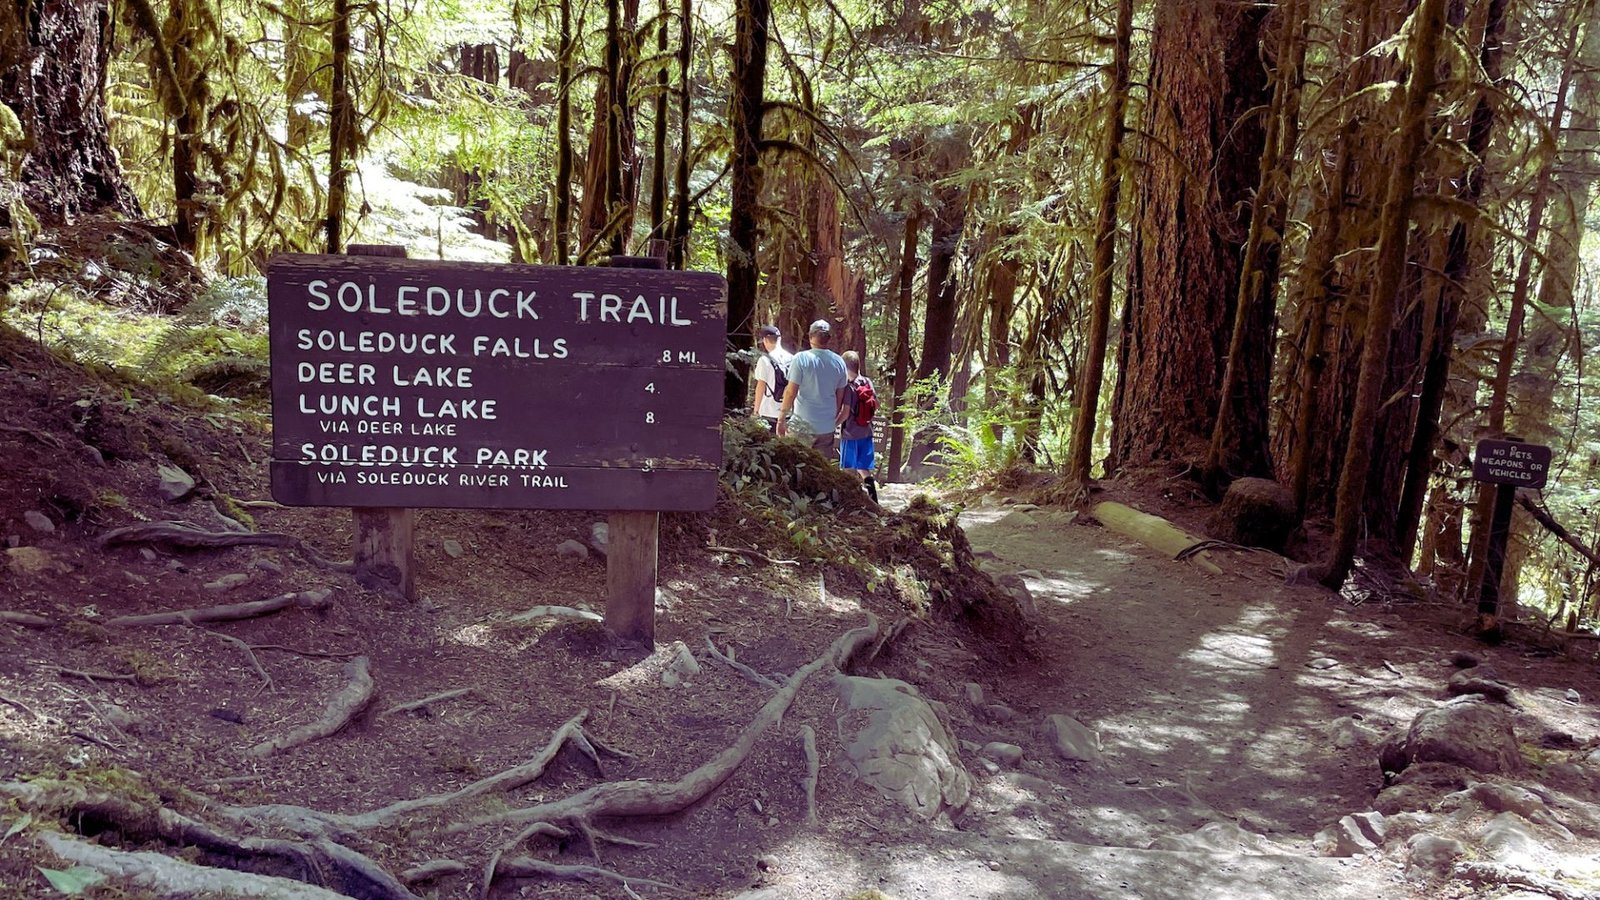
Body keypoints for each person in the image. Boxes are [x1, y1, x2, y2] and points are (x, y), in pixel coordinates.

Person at [776, 319, 848, 455]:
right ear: (829, 339)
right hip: (826, 427)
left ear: (810, 337)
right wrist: (831, 419)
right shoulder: (839, 362)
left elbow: (791, 392)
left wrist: (781, 419)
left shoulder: (801, 359)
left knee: (798, 467)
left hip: (801, 426)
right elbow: (840, 397)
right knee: (821, 471)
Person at [839, 350, 878, 502]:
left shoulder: (849, 387)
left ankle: (850, 501)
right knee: (863, 468)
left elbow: (845, 413)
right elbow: (876, 404)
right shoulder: (867, 382)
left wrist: (832, 425)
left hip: (850, 434)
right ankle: (873, 499)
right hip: (867, 432)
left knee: (848, 469)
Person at [751, 324, 792, 430]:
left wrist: (756, 411)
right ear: (780, 339)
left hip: (768, 411)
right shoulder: (792, 358)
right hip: (787, 412)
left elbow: (761, 386)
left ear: (765, 340)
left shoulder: (764, 360)